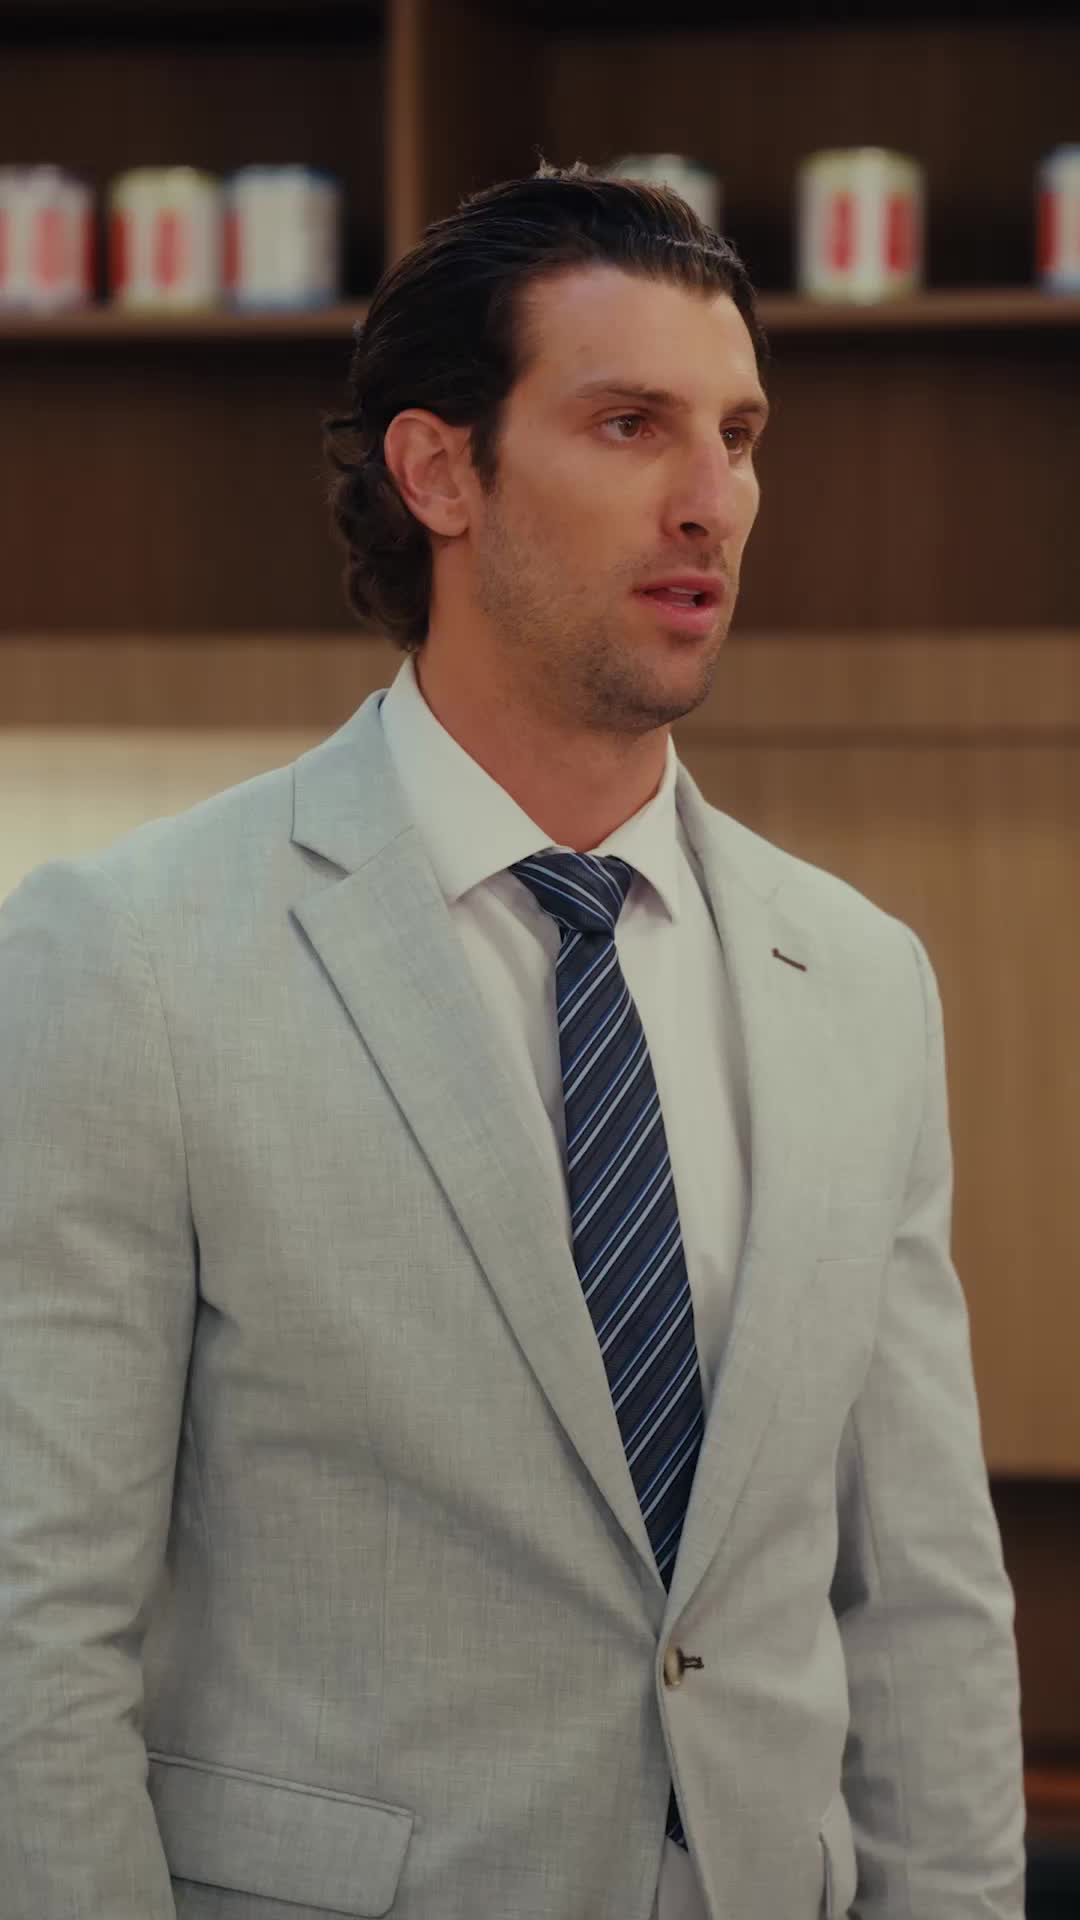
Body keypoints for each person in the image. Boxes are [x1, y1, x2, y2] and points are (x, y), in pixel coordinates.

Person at [0, 160, 1026, 1920]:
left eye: (740, 435)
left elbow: (923, 1597)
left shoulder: (861, 976)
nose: (712, 501)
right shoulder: (135, 956)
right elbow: (36, 1624)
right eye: (632, 426)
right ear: (440, 471)